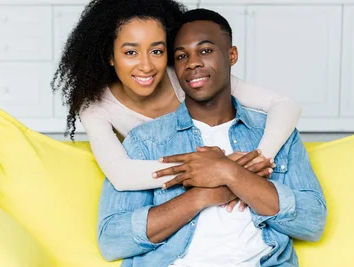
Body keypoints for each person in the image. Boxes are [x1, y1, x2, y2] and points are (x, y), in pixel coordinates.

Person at [96, 8, 327, 267]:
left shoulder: (274, 133)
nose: (193, 62)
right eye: (182, 55)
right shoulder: (144, 141)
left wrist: (231, 173)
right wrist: (203, 194)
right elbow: (112, 240)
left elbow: (312, 222)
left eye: (205, 50)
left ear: (232, 55)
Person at [51, 0, 301, 212]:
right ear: (110, 56)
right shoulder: (95, 106)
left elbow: (284, 104)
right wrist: (221, 169)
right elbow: (121, 174)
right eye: (130, 53)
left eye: (157, 51)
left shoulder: (185, 74)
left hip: (234, 185)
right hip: (172, 197)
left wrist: (259, 157)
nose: (146, 66)